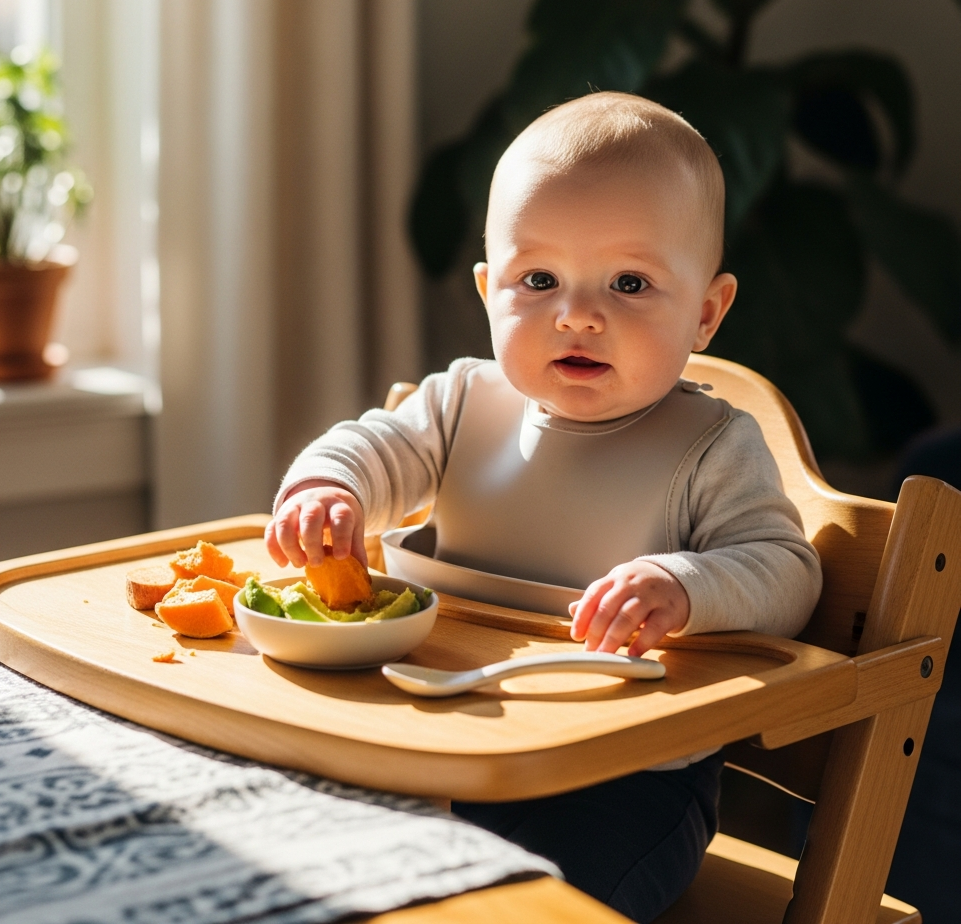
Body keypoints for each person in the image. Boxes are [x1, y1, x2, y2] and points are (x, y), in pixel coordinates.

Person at [265, 92, 822, 923]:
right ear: (491, 291)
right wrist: (326, 490)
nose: (578, 313)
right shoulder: (459, 405)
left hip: (621, 782)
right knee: (292, 852)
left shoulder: (712, 447)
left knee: (532, 907)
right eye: (539, 279)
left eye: (630, 282)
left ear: (706, 312)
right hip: (439, 743)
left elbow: (785, 569)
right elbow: (370, 447)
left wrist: (685, 585)